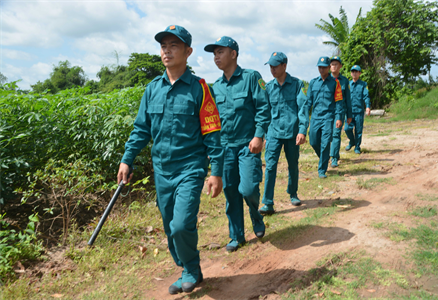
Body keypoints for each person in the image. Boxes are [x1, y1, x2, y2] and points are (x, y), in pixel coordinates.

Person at [117, 25, 224, 295]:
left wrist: (216, 171)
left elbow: (212, 132)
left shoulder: (200, 89)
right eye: (163, 45)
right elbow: (141, 129)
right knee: (169, 227)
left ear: (188, 52)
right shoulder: (152, 89)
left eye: (174, 45)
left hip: (190, 167)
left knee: (180, 224)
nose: (167, 50)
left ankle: (191, 269)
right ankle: (186, 266)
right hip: (162, 171)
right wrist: (126, 160)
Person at [204, 36, 271, 252]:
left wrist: (259, 135)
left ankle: (255, 216)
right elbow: (212, 120)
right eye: (214, 53)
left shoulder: (251, 78)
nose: (216, 57)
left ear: (233, 53)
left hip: (247, 145)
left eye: (220, 52)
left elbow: (263, 107)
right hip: (225, 147)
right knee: (231, 191)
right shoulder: (216, 86)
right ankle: (237, 236)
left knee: (248, 188)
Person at [259, 52, 306, 216]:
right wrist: (263, 135)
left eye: (275, 66)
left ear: (284, 66)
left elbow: (303, 109)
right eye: (270, 66)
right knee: (270, 166)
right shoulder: (268, 87)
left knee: (293, 165)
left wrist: (302, 130)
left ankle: (293, 194)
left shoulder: (297, 85)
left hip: (292, 133)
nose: (272, 69)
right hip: (273, 133)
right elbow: (265, 112)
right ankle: (268, 202)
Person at [297, 56, 344, 178]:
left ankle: (322, 170)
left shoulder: (335, 83)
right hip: (316, 117)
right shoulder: (313, 82)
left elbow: (339, 101)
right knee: (313, 141)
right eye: (319, 67)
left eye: (324, 67)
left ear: (329, 68)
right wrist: (304, 115)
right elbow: (308, 102)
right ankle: (325, 156)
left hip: (328, 117)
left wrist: (338, 117)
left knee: (325, 143)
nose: (321, 69)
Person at [329, 56, 352, 168]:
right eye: (332, 64)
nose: (334, 66)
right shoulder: (326, 79)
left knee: (336, 133)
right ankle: (333, 153)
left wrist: (349, 115)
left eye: (336, 64)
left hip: (340, 112)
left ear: (340, 66)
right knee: (328, 135)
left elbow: (348, 99)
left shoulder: (344, 81)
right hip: (327, 112)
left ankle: (334, 158)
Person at [345, 65, 371, 154]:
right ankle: (352, 141)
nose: (354, 73)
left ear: (359, 73)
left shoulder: (363, 84)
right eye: (353, 71)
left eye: (356, 71)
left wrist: (367, 106)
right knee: (347, 129)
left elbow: (366, 96)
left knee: (358, 130)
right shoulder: (348, 84)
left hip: (359, 112)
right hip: (349, 112)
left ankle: (357, 147)